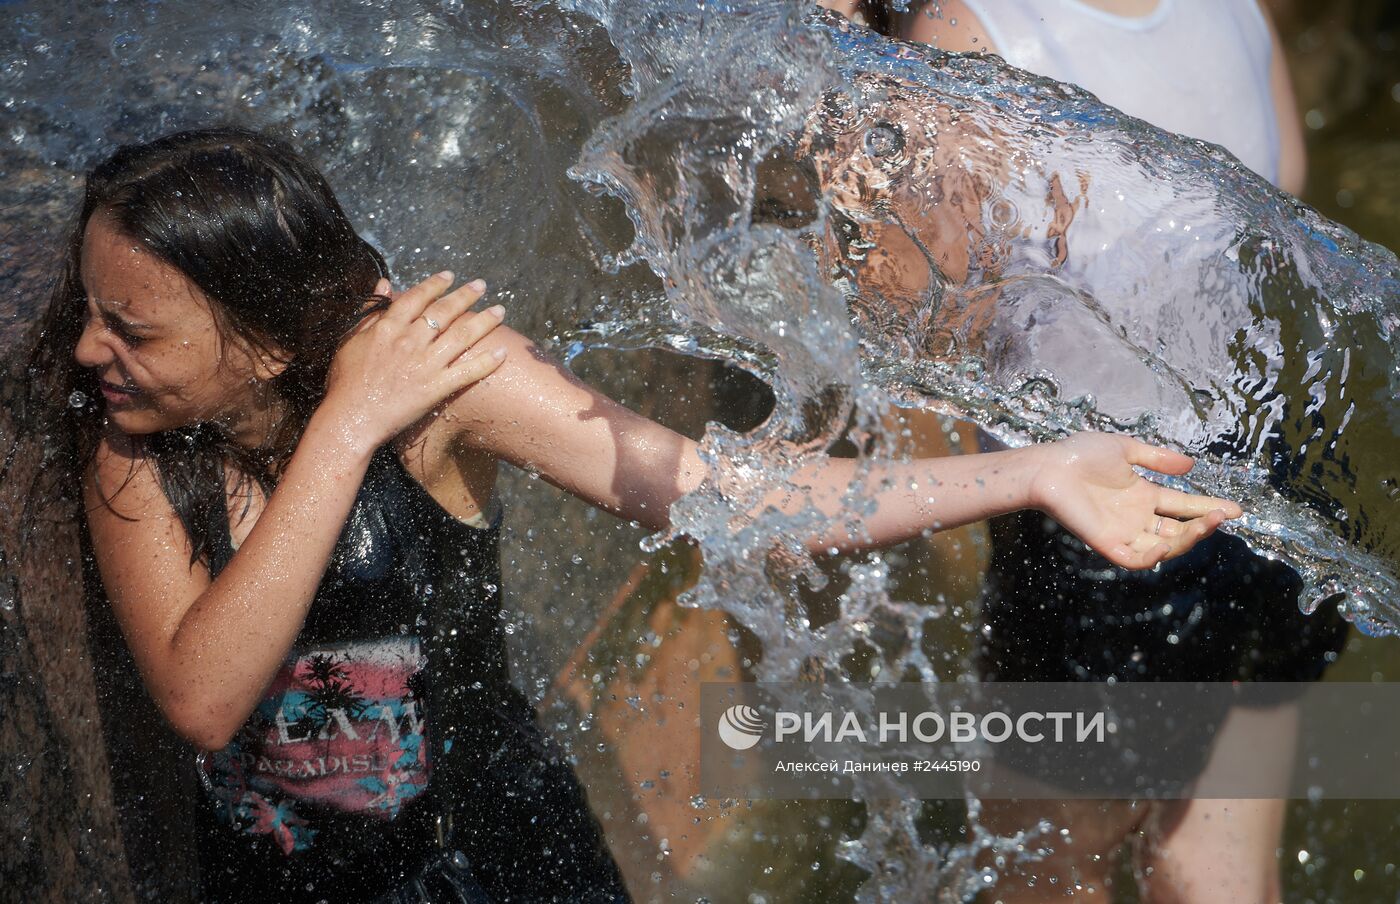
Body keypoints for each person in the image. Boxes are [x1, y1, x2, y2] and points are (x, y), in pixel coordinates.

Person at [21, 127, 1239, 903]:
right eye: (91, 309)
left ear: (268, 332)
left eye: (133, 327)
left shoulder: (447, 387)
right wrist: (343, 425)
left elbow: (728, 497)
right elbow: (200, 693)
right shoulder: (125, 435)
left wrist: (1029, 471)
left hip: (496, 863)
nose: (92, 350)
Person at [886, 2, 1346, 902]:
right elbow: (1285, 177)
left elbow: (908, 331)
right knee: (1219, 880)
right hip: (1283, 477)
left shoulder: (968, 34)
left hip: (1110, 528)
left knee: (1045, 877)